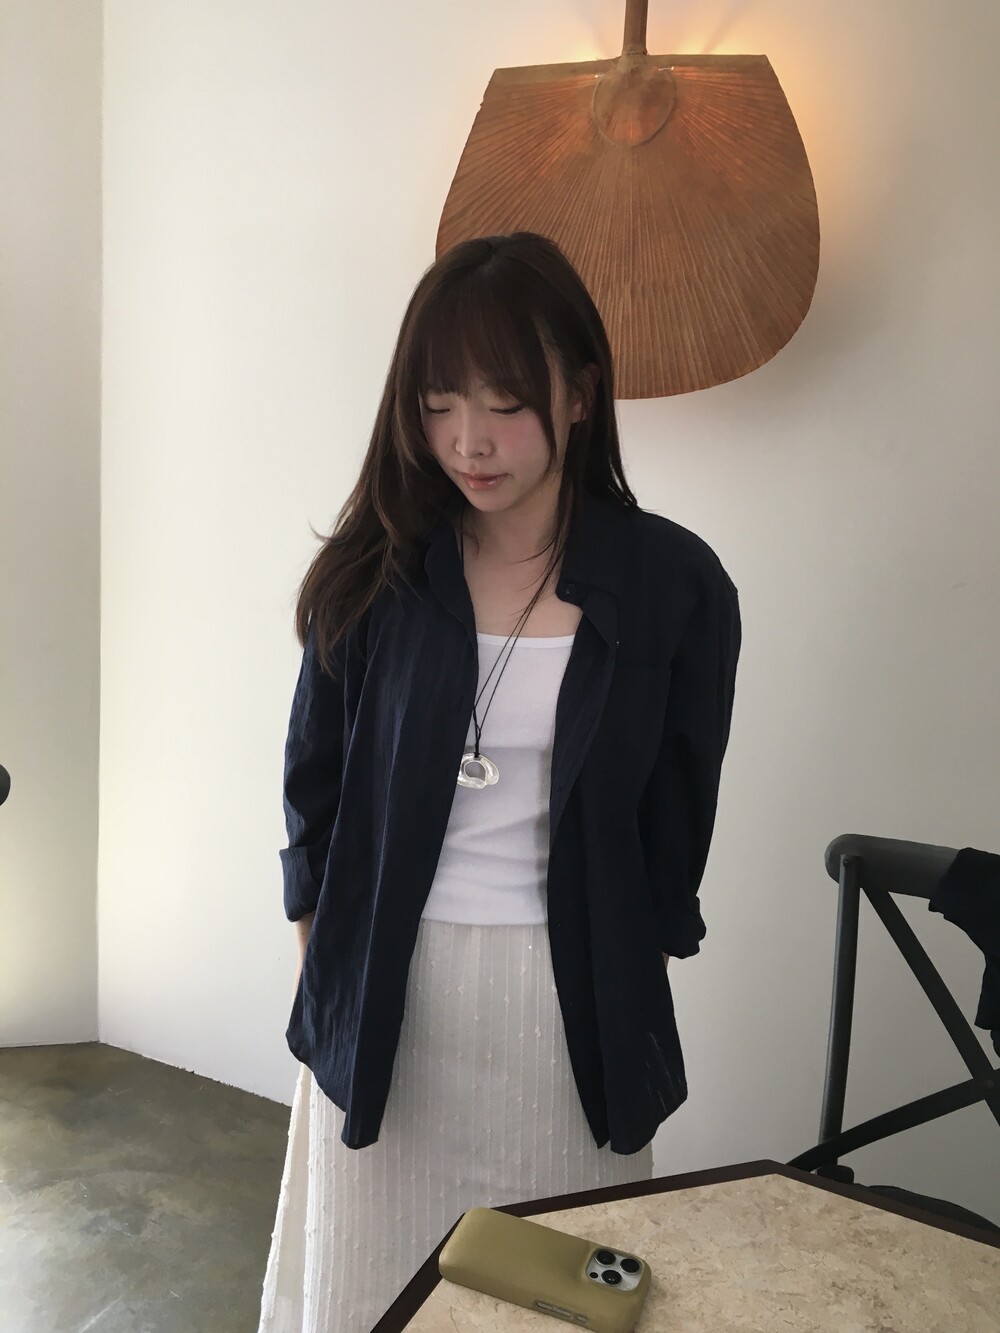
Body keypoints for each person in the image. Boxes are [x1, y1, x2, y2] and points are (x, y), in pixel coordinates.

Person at [257, 232, 741, 1332]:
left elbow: (678, 815)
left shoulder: (674, 583)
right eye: (438, 404)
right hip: (391, 995)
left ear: (578, 395)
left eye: (505, 403)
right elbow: (312, 791)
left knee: (560, 1295)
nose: (468, 441)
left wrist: (631, 961)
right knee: (376, 1285)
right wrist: (324, 963)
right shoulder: (377, 570)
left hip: (567, 1011)